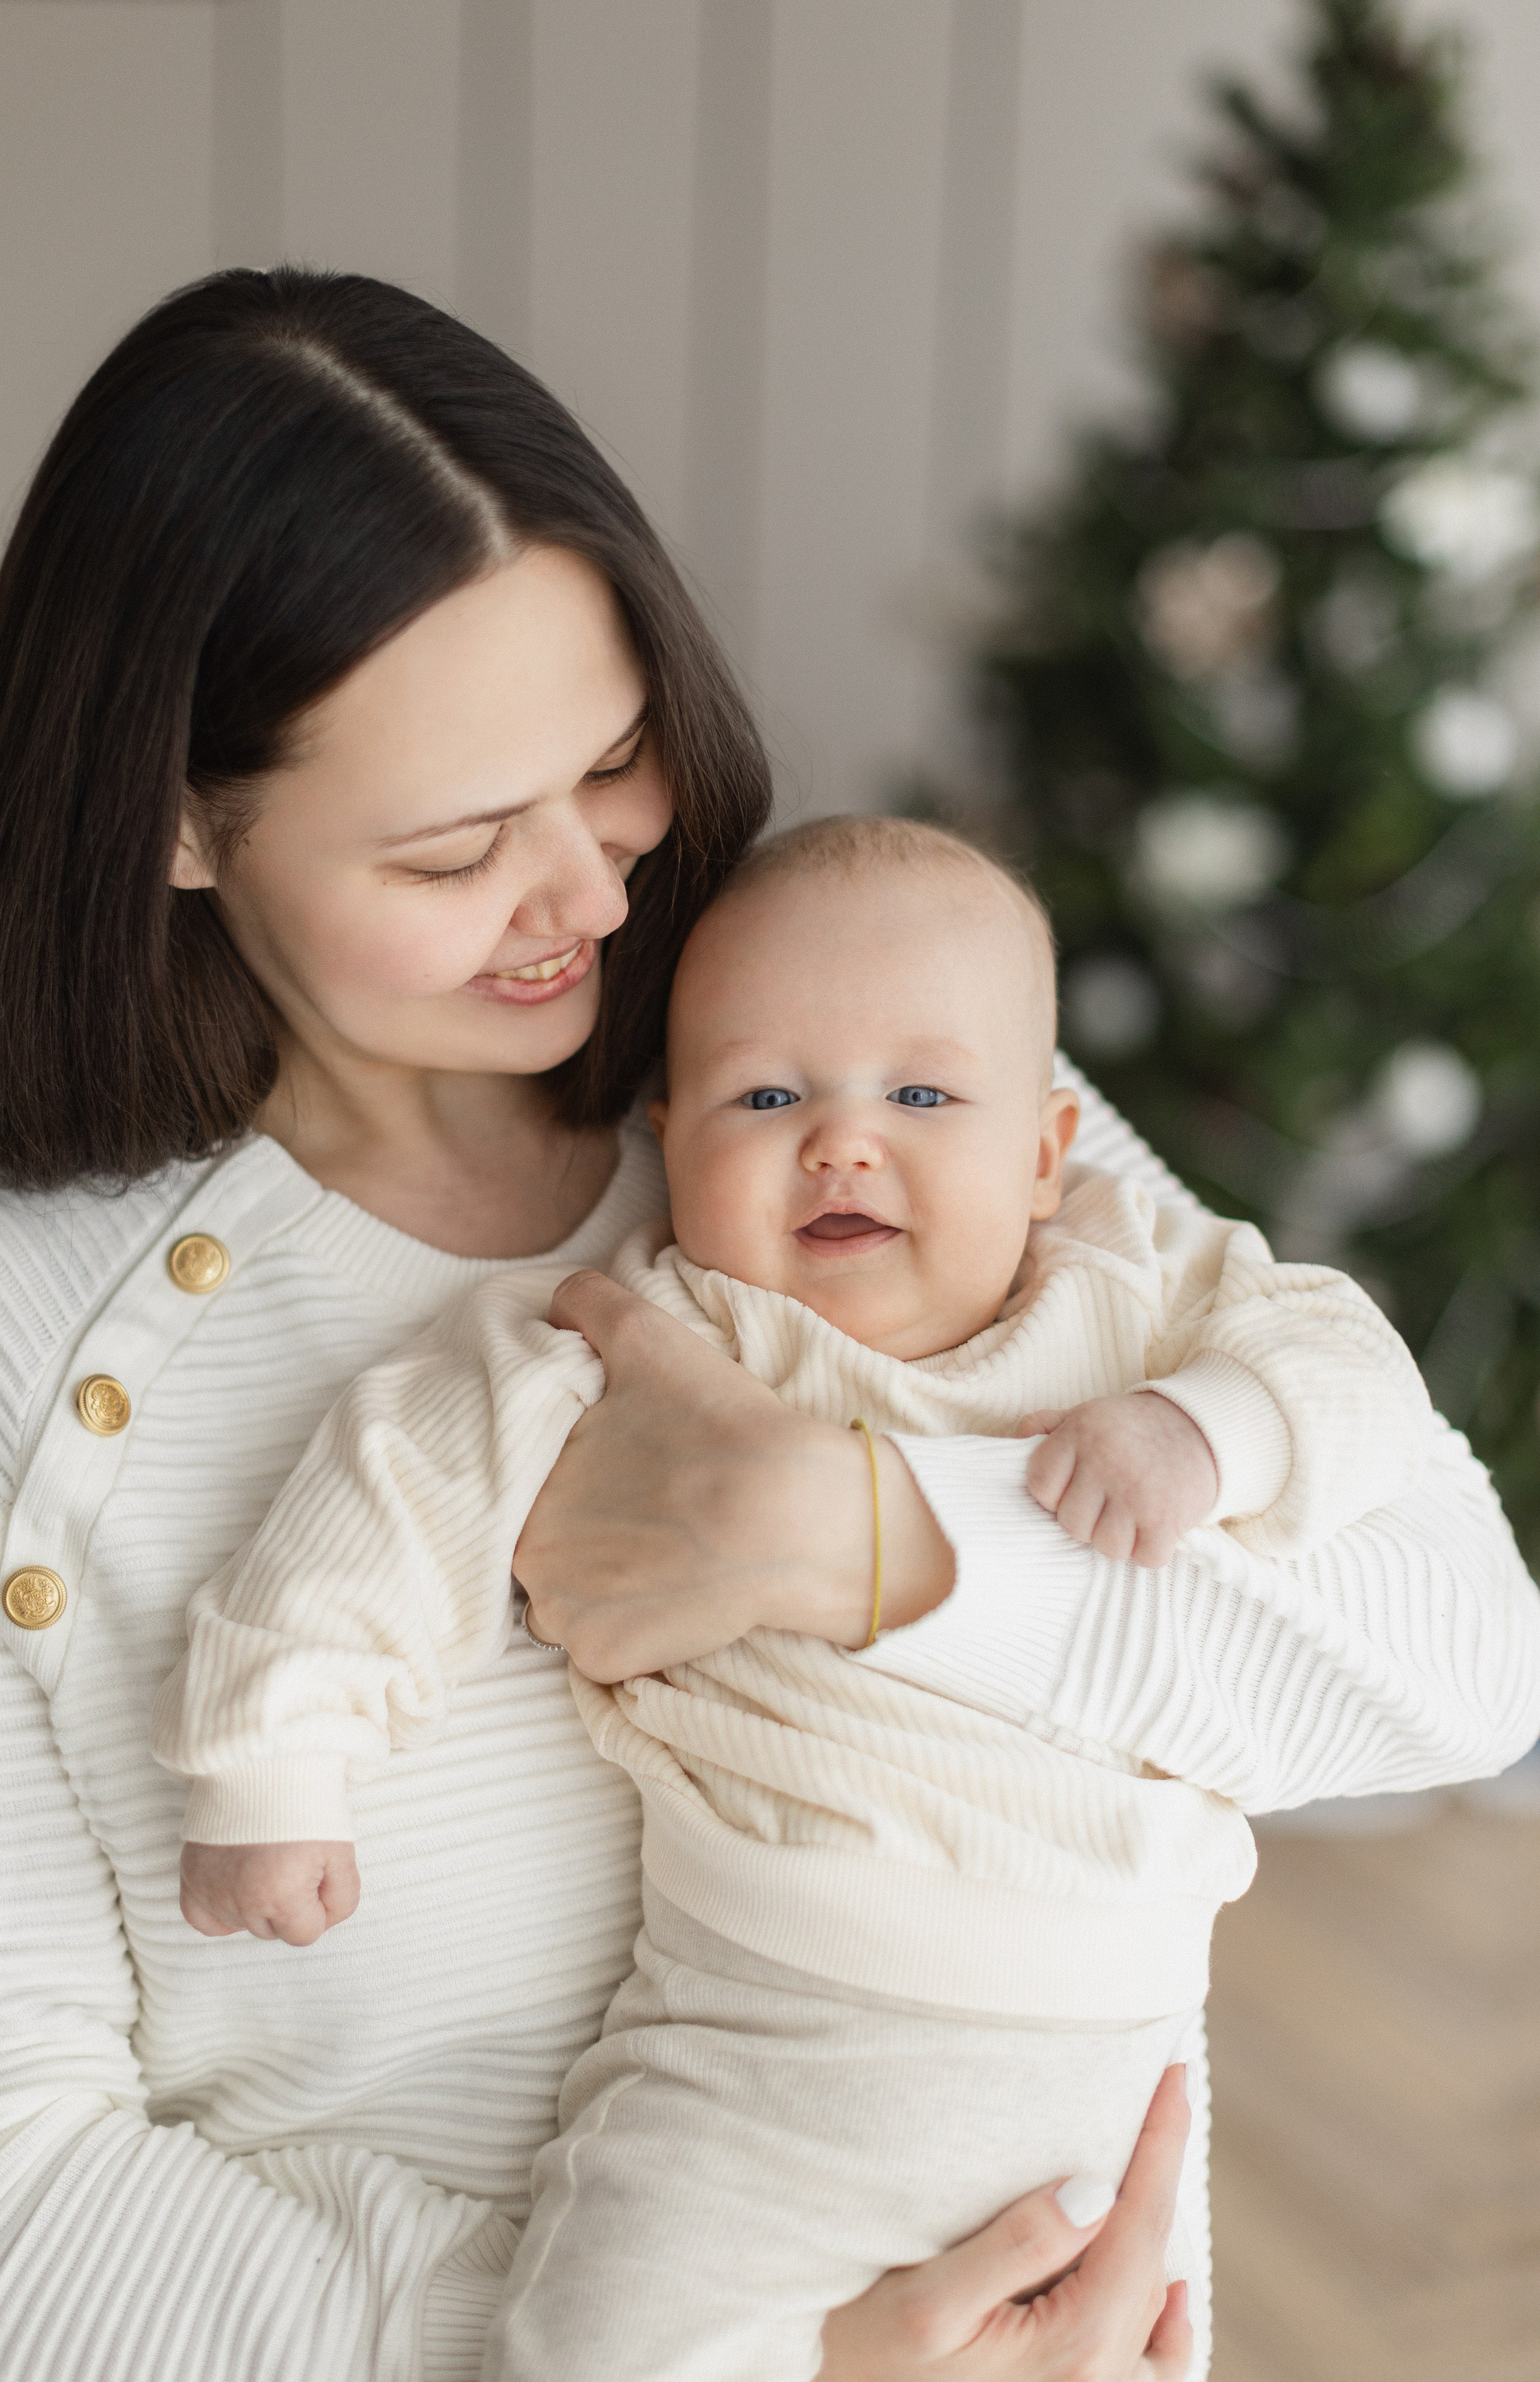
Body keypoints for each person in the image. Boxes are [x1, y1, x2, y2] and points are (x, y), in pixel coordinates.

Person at [0, 270, 1535, 2382]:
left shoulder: (857, 1073)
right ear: (172, 816)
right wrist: (745, 2350)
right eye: (453, 847)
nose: (598, 902)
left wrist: (874, 1543)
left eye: (613, 765)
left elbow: (1462, 1669)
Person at [155, 814, 1434, 2381]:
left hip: (1108, 2058)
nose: (840, 1140)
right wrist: (273, 1762)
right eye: (765, 1096)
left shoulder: (1135, 1279)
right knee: (597, 2349)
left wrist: (1210, 1428)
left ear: (1045, 1149)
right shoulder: (643, 1329)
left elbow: (1350, 1359)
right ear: (666, 1130)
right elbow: (397, 1480)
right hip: (766, 2049)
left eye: (919, 1095)